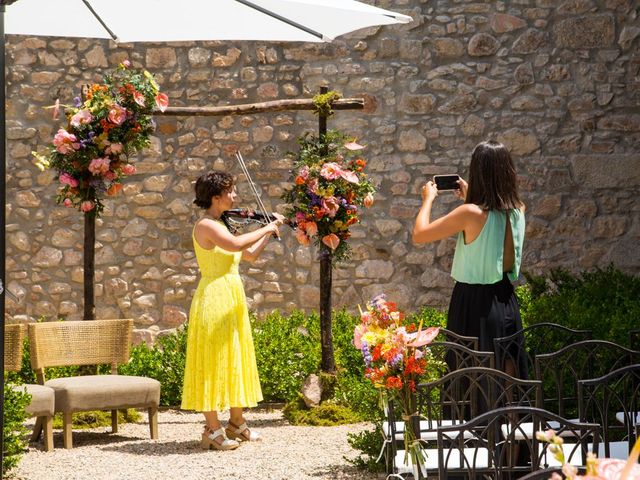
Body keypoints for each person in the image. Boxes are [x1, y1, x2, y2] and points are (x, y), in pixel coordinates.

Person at [181, 170, 284, 450]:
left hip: (231, 295)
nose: (235, 196)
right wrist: (265, 226)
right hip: (213, 296)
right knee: (212, 359)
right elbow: (238, 244)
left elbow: (247, 255)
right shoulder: (206, 226)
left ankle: (236, 424)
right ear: (216, 197)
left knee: (235, 355)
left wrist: (271, 230)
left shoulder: (222, 224)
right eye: (231, 192)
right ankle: (212, 430)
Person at [412, 140, 527, 379]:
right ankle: (511, 418)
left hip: (474, 304)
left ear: (478, 173)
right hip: (506, 299)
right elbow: (490, 229)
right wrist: (470, 198)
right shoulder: (518, 210)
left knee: (473, 377)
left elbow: (420, 235)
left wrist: (428, 199)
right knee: (506, 373)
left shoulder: (470, 213)